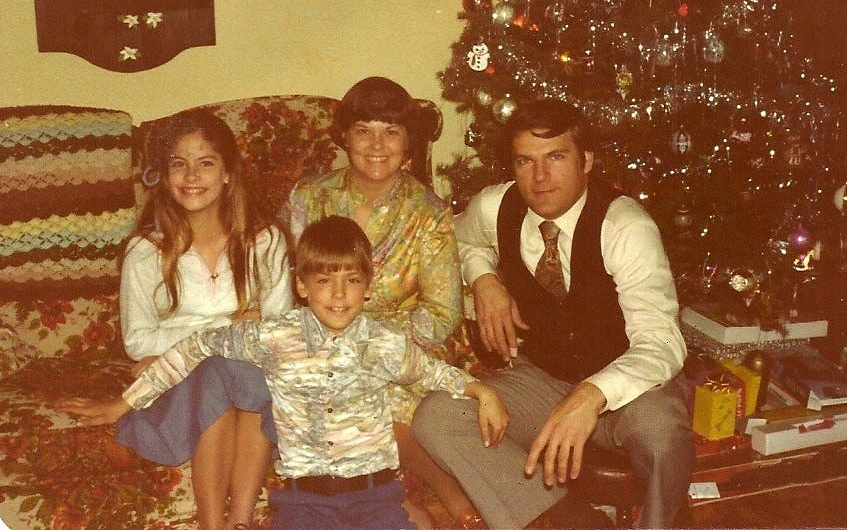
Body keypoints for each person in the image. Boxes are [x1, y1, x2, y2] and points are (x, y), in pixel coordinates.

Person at [59, 215, 509, 530]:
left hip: (375, 496)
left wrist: (481, 392)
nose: (338, 294)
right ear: (300, 285)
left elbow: (432, 372)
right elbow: (193, 348)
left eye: (351, 280)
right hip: (303, 502)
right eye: (324, 280)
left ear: (368, 287)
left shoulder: (383, 343)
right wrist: (125, 401)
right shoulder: (271, 335)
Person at [412, 98, 695, 529]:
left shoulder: (625, 227)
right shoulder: (496, 206)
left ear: (587, 161)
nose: (539, 177)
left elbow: (663, 342)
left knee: (663, 433)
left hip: (627, 387)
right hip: (541, 377)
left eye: (556, 158)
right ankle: (566, 519)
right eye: (525, 161)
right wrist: (484, 279)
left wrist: (591, 393)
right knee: (438, 416)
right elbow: (458, 238)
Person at [283, 77, 481, 526]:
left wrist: (367, 342)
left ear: (408, 143)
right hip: (320, 336)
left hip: (403, 345)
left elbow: (443, 313)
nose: (377, 144)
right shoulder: (309, 197)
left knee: (367, 395)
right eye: (364, 129)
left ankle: (445, 501)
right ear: (345, 138)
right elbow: (290, 287)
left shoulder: (428, 213)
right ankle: (401, 508)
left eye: (391, 131)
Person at [116, 109, 294, 530]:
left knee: (242, 371)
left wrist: (231, 338)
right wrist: (226, 329)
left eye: (206, 162)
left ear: (228, 173)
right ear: (163, 174)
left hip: (251, 376)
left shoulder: (265, 242)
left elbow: (278, 330)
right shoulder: (146, 251)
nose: (191, 175)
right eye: (178, 163)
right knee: (218, 370)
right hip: (177, 382)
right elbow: (138, 342)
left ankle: (239, 522)